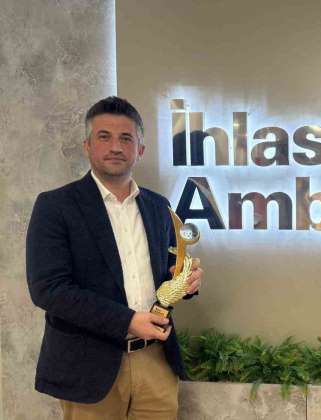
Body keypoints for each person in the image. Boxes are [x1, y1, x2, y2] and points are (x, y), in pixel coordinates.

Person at [26, 96, 203, 419]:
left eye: (126, 138)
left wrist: (185, 283)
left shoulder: (159, 207)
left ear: (140, 149)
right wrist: (127, 321)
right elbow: (48, 289)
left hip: (156, 362)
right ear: (87, 146)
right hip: (89, 367)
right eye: (104, 137)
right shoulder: (56, 206)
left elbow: (166, 272)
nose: (116, 147)